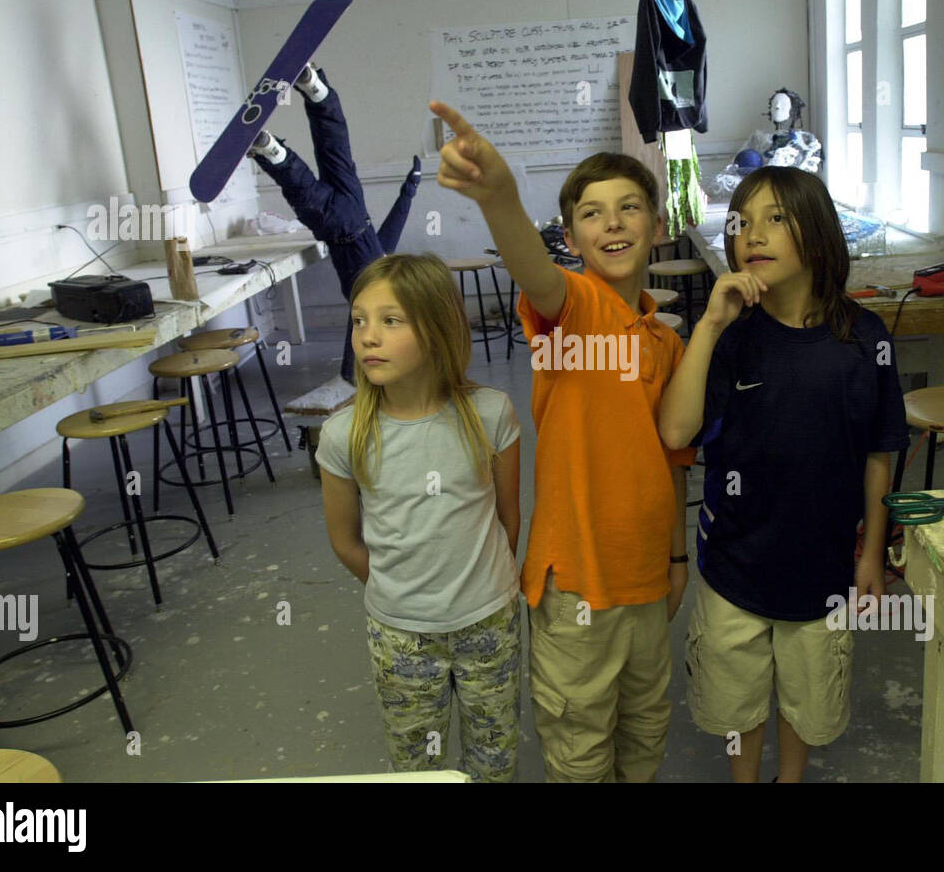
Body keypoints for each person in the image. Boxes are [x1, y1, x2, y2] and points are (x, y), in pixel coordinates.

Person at [431, 100, 695, 783]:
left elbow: (672, 460)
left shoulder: (665, 343)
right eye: (592, 212)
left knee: (644, 735)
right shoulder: (574, 310)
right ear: (572, 238)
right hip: (574, 582)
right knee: (580, 749)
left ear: (658, 228)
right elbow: (533, 271)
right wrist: (500, 198)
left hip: (644, 580)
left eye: (630, 207)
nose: (612, 222)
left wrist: (675, 558)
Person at [658, 166, 909, 783]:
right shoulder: (733, 337)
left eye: (775, 219)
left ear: (818, 238)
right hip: (733, 563)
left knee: (808, 695)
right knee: (737, 697)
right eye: (742, 221)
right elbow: (674, 432)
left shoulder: (864, 338)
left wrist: (871, 554)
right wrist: (711, 325)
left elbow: (882, 451)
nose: (753, 234)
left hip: (821, 566)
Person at [316, 253, 523, 782]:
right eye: (360, 320)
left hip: (489, 622)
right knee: (416, 768)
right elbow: (345, 542)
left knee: (494, 759)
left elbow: (507, 518)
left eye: (391, 320)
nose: (368, 337)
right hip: (402, 634)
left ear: (437, 328)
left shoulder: (491, 413)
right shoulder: (344, 434)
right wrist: (399, 589)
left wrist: (485, 587)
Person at [249, 64, 422, 383]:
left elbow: (392, 229)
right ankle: (270, 149)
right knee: (301, 187)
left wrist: (410, 188)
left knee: (336, 149)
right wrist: (351, 378)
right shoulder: (369, 297)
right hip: (337, 225)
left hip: (357, 206)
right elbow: (354, 340)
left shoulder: (384, 265)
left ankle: (317, 90)